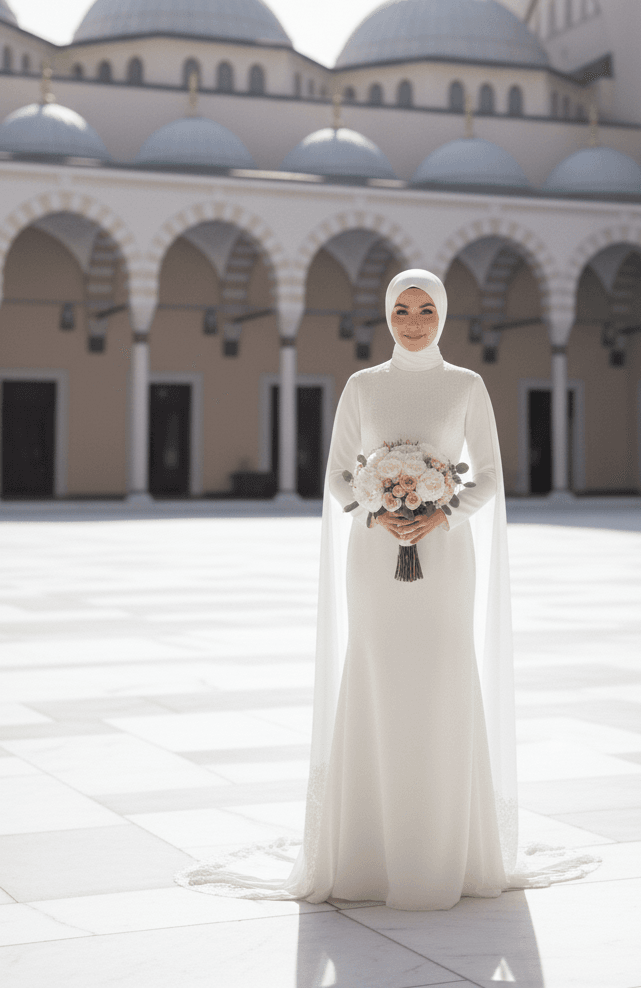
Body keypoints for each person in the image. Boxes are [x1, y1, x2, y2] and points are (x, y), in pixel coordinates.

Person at [177, 268, 594, 908]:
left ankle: (446, 849)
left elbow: (489, 475)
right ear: (387, 315)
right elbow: (337, 473)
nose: (414, 321)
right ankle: (366, 851)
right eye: (402, 309)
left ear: (443, 314)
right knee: (376, 674)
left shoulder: (466, 385)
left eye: (426, 309)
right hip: (374, 557)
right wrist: (375, 511)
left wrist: (442, 514)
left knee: (442, 676)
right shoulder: (362, 386)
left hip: (446, 556)